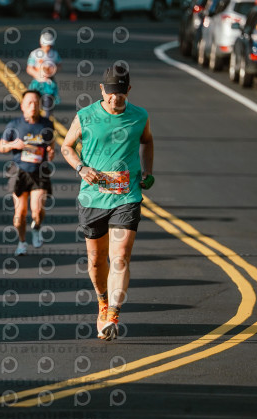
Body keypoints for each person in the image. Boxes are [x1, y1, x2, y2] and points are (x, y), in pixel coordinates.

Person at [60, 64, 155, 341]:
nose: (116, 98)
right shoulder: (86, 116)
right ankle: (102, 301)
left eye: (121, 93)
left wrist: (147, 171)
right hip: (93, 198)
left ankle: (113, 313)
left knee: (120, 256)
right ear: (102, 90)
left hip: (127, 196)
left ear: (129, 90)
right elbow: (66, 146)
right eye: (111, 92)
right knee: (95, 260)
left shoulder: (140, 116)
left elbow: (147, 141)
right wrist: (81, 168)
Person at [0, 90, 55, 256]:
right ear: (22, 106)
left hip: (39, 171)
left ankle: (36, 227)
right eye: (29, 102)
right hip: (19, 172)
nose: (33, 106)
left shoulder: (47, 124)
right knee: (20, 214)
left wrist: (51, 151)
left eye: (36, 102)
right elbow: (1, 146)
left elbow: (50, 143)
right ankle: (22, 242)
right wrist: (12, 144)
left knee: (37, 210)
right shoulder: (14, 125)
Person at [26, 32, 61, 118]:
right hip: (37, 83)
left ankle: (47, 119)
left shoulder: (54, 54)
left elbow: (59, 65)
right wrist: (38, 74)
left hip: (48, 84)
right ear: (41, 44)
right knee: (34, 102)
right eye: (46, 46)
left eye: (49, 46)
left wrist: (53, 69)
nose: (48, 48)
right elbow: (29, 68)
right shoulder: (34, 54)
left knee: (48, 104)